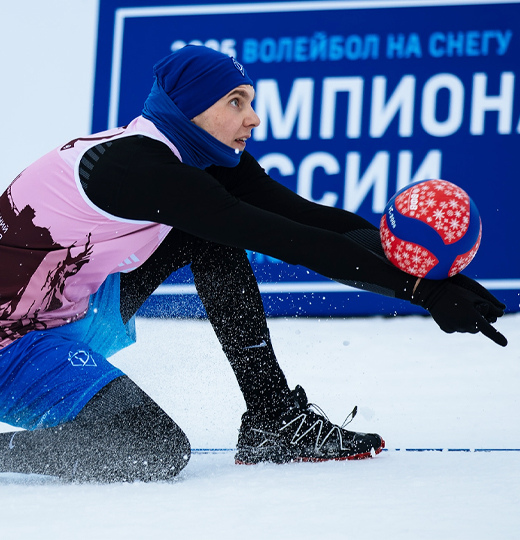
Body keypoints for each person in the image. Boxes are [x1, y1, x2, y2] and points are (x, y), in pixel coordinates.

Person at [0, 45, 507, 482]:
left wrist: (437, 278)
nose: (254, 118)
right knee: (151, 447)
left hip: (67, 308)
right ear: (191, 108)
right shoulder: (133, 167)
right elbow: (280, 237)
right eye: (236, 102)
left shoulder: (195, 158)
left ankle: (272, 417)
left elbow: (309, 219)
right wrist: (422, 294)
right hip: (11, 341)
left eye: (252, 103)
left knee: (212, 228)